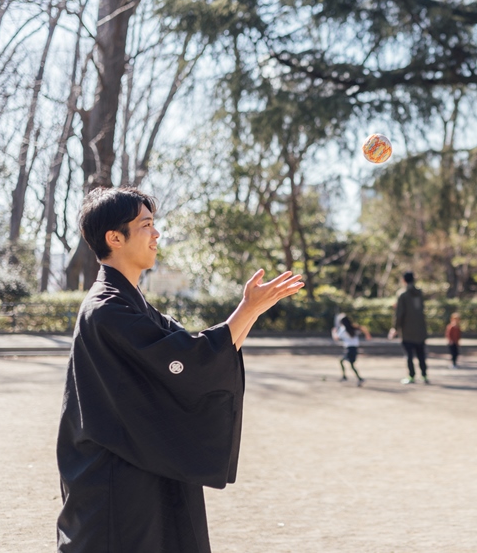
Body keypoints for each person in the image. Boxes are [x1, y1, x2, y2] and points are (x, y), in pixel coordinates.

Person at [56, 187, 303, 553]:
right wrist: (247, 309)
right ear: (114, 238)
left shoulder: (129, 302)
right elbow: (189, 359)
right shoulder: (106, 308)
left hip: (140, 460)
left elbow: (197, 351)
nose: (156, 234)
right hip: (116, 474)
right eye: (146, 225)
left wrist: (251, 310)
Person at [388, 271, 428, 384]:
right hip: (420, 330)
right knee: (421, 354)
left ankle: (411, 376)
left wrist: (395, 328)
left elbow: (399, 314)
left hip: (407, 331)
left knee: (409, 355)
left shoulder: (403, 294)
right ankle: (424, 375)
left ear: (403, 280)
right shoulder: (419, 293)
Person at [331, 313, 371, 386]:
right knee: (344, 362)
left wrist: (333, 332)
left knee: (349, 364)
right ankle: (347, 377)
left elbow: (336, 338)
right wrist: (367, 335)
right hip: (354, 348)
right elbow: (363, 328)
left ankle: (358, 378)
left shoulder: (343, 329)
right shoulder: (353, 327)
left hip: (349, 349)